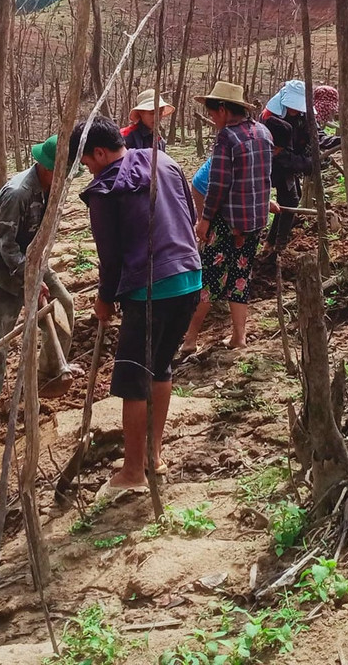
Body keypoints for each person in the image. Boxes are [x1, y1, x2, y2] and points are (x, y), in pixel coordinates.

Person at [70, 118, 202, 503]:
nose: (88, 170)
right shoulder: (165, 161)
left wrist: (104, 299)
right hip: (189, 279)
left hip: (150, 291)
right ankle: (152, 456)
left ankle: (132, 472)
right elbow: (190, 218)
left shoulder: (105, 189)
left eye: (86, 162)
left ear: (99, 153)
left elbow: (110, 258)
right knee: (160, 368)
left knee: (133, 380)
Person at [0, 135, 73, 430]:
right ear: (47, 168)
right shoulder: (17, 193)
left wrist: (38, 274)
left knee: (64, 305)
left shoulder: (50, 190)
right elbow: (6, 245)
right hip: (0, 273)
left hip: (33, 263)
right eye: (62, 173)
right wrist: (30, 280)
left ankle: (49, 373)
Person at [183, 81, 273, 353]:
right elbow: (262, 178)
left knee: (209, 280)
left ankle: (189, 339)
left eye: (212, 113)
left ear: (223, 109)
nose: (212, 119)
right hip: (254, 221)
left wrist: (205, 219)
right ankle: (238, 337)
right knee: (240, 277)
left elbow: (218, 184)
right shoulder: (263, 132)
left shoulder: (227, 137)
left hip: (227, 222)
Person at [262, 115, 313, 250]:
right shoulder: (274, 126)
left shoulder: (300, 120)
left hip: (286, 167)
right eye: (276, 149)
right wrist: (307, 164)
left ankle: (274, 242)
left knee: (291, 200)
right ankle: (277, 244)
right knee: (289, 201)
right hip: (281, 168)